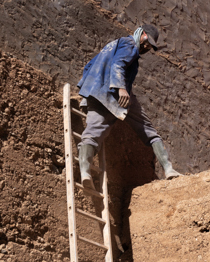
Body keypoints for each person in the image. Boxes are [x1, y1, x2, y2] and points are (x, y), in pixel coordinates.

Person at [75, 23, 181, 190]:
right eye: (147, 42)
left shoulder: (113, 45)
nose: (147, 47)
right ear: (141, 33)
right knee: (148, 130)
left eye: (150, 46)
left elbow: (89, 66)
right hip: (116, 94)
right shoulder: (129, 44)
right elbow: (118, 64)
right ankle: (168, 169)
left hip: (96, 92)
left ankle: (85, 173)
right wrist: (121, 88)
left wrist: (86, 90)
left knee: (93, 132)